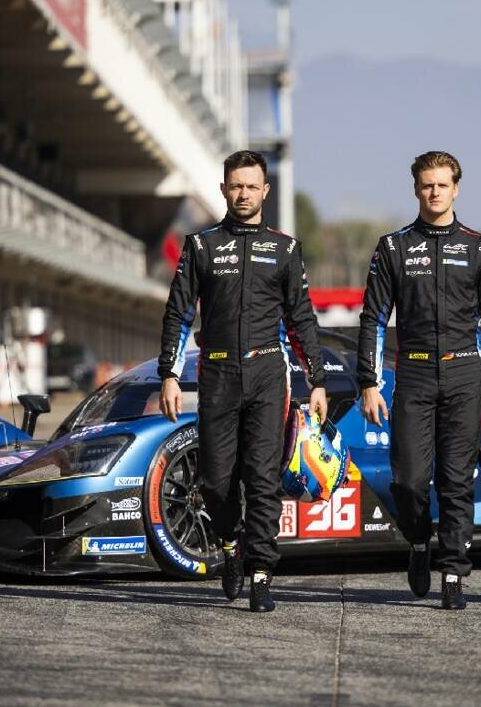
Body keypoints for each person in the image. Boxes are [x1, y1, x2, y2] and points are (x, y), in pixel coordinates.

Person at [358, 151, 481, 610]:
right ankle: (418, 541)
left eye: (442, 184)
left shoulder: (479, 246)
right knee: (410, 481)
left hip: (463, 375)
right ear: (416, 189)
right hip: (411, 373)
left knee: (456, 480)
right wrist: (369, 382)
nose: (434, 192)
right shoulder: (392, 247)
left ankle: (453, 571)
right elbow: (373, 317)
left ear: (457, 188)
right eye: (426, 185)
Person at [158, 150, 328, 613]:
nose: (244, 193)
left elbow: (302, 320)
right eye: (236, 186)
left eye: (252, 186)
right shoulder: (201, 245)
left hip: (269, 374)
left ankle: (261, 574)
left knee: (262, 477)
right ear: (223, 189)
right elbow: (177, 314)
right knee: (215, 482)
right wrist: (169, 375)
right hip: (215, 374)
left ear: (265, 191)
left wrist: (316, 381)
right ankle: (231, 547)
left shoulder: (285, 249)